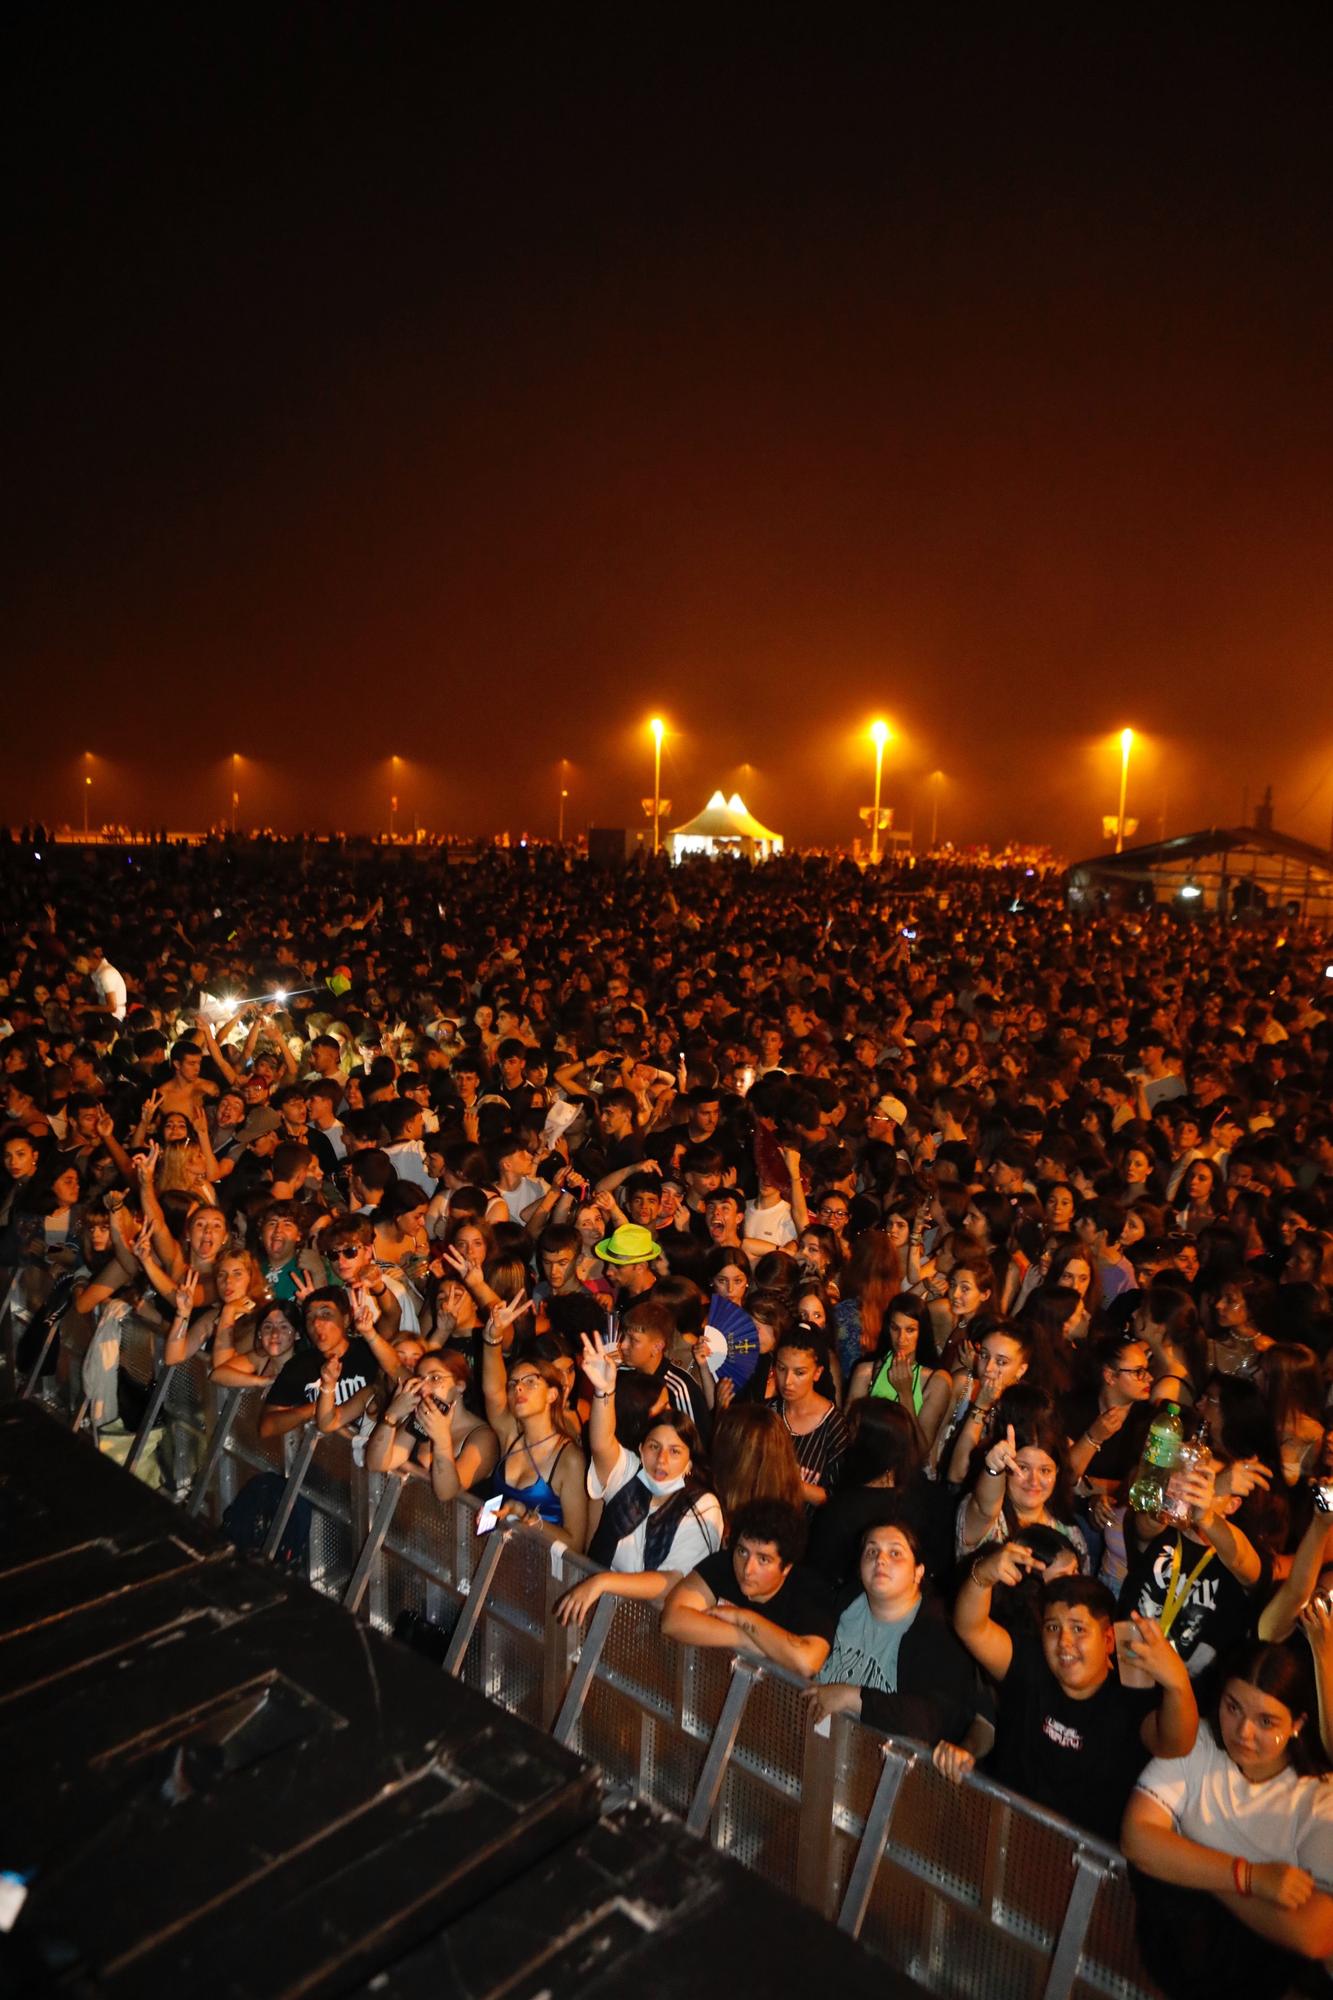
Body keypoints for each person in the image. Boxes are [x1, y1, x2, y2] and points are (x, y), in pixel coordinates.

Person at [1122, 1643, 1333, 1999]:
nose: (1243, 1732)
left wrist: (1183, 1865)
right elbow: (1137, 1837)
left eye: (1267, 1721)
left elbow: (1315, 1934)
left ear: (1298, 1724)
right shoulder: (1199, 1741)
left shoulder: (1318, 1798)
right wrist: (1250, 1878)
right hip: (1162, 1964)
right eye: (1232, 1707)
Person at [948, 1541, 1198, 1840]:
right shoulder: (1031, 1664)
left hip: (1079, 1866)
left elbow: (1174, 1744)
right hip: (1001, 1835)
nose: (1064, 1641)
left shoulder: (1130, 1697)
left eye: (1079, 1629)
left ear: (1108, 1641)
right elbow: (970, 1627)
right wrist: (983, 1575)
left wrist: (1177, 1683)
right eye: (1053, 1628)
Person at [554, 1327, 723, 1625]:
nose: (662, 1459)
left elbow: (673, 1579)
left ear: (689, 1460)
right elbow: (602, 1443)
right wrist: (604, 1391)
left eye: (675, 1451)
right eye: (655, 1447)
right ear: (641, 1449)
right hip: (601, 1616)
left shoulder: (702, 1506)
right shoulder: (630, 1473)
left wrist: (603, 1582)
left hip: (653, 1630)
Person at [803, 1516, 987, 1750]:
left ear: (918, 1572)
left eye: (895, 1553)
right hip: (815, 1741)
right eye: (871, 1552)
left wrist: (853, 1697)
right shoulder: (841, 1603)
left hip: (876, 1761)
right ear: (860, 1569)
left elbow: (934, 1718)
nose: (880, 1560)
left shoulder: (940, 1634)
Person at [660, 1498, 836, 1677]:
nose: (747, 1569)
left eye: (763, 1560)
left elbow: (807, 1663)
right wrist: (748, 1639)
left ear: (787, 1568)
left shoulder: (810, 1591)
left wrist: (742, 1617)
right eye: (742, 1551)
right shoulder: (722, 1564)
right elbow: (672, 1621)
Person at [479, 1290, 587, 1547]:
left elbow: (575, 1543)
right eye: (514, 1383)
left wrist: (527, 1516)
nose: (518, 1388)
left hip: (541, 1573)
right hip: (498, 1559)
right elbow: (493, 1391)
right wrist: (492, 1337)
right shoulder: (511, 1433)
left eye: (530, 1382)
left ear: (552, 1394)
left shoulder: (568, 1457)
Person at [366, 1348, 498, 1502]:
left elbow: (446, 1493)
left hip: (456, 1524)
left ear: (459, 1386)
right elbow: (376, 1463)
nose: (425, 1387)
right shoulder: (421, 1418)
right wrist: (391, 1415)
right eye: (421, 1379)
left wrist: (441, 1441)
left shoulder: (483, 1437)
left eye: (435, 1378)